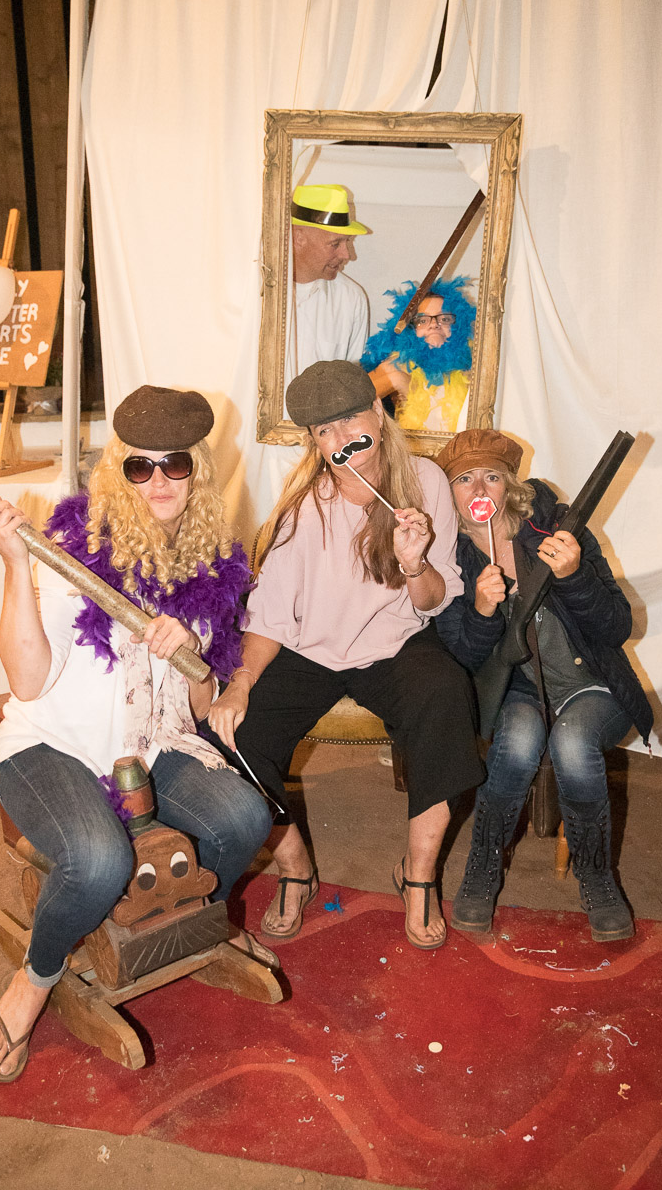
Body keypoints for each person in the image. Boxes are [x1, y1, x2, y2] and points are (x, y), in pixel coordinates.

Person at [0, 384, 274, 1082]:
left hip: (152, 745)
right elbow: (27, 683)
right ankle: (36, 978)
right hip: (51, 747)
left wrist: (189, 654)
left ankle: (184, 925)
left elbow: (200, 706)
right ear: (118, 470)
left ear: (198, 470)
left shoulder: (212, 561)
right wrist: (16, 564)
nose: (158, 480)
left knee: (244, 819)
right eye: (140, 466)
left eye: (175, 464)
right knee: (100, 863)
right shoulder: (72, 551)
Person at [208, 361, 484, 951]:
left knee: (445, 697)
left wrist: (414, 562)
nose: (340, 440)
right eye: (323, 431)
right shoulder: (302, 507)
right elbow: (270, 616)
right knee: (234, 734)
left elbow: (435, 601)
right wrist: (240, 683)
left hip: (396, 642)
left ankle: (418, 875)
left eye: (350, 421)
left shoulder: (425, 481)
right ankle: (295, 868)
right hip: (310, 648)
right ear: (313, 441)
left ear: (378, 416)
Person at [433, 428, 653, 942]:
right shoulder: (449, 559)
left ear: (510, 485)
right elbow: (461, 658)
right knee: (516, 745)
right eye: (464, 479)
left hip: (591, 684)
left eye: (491, 476)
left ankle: (596, 877)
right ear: (449, 493)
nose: (478, 489)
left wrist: (574, 576)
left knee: (572, 744)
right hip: (519, 691)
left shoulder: (557, 529)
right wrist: (482, 610)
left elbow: (617, 627)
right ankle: (482, 870)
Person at [361, 278, 476, 432]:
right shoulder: (398, 364)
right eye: (422, 320)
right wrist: (397, 380)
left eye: (445, 319)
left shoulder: (476, 368)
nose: (434, 324)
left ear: (458, 325)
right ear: (411, 329)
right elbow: (348, 400)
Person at [285, 184, 370, 389]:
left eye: (347, 242)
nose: (347, 255)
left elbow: (355, 385)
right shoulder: (255, 293)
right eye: (335, 244)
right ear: (299, 238)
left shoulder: (352, 299)